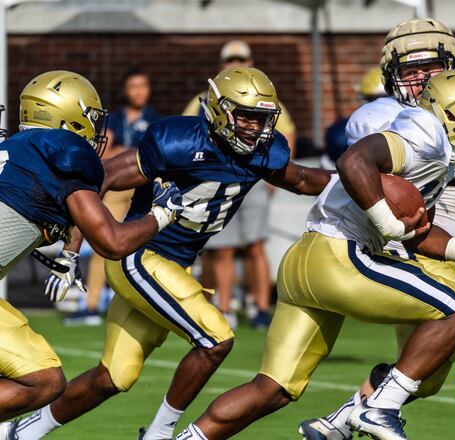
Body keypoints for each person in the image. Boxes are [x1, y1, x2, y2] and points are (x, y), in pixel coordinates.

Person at [175, 70, 455, 440]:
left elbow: (419, 236)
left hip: (304, 261)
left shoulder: (438, 157)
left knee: (272, 389)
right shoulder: (425, 133)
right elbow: (354, 160)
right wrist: (387, 224)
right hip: (339, 256)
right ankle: (380, 407)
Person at [10, 67, 331, 440]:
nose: (255, 128)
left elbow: (304, 180)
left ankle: (25, 431)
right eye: (246, 117)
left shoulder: (262, 152)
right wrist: (72, 247)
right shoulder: (176, 142)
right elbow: (101, 178)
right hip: (138, 256)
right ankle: (160, 434)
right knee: (216, 339)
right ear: (219, 112)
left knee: (114, 376)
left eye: (262, 119)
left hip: (171, 266)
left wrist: (353, 182)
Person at [299, 18, 455, 440]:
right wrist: (391, 221)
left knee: (424, 373)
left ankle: (338, 423)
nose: (425, 78)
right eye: (411, 71)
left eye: (434, 67)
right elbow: (370, 168)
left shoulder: (449, 116)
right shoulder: (388, 117)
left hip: (444, 249)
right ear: (393, 76)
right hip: (415, 253)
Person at [0, 70, 182, 431]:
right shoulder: (63, 152)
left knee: (45, 379)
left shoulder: (17, 151)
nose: (95, 130)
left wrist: (68, 253)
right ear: (67, 116)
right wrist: (161, 216)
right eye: (91, 118)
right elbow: (112, 243)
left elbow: (51, 210)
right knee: (43, 382)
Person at [184, 40, 297, 329]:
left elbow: (287, 132)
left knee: (255, 245)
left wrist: (276, 175)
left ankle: (260, 307)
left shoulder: (264, 97)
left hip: (253, 177)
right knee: (222, 248)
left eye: (241, 58)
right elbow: (187, 133)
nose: (236, 63)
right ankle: (224, 307)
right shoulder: (206, 97)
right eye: (230, 59)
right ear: (221, 64)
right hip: (216, 178)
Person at [65, 66, 162, 326]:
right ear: (125, 90)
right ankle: (92, 305)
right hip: (116, 188)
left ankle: (145, 305)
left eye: (143, 86)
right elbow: (104, 153)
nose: (138, 92)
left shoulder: (155, 120)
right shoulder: (117, 118)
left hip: (144, 190)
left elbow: (153, 155)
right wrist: (126, 152)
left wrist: (122, 151)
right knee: (102, 243)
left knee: (144, 247)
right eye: (133, 86)